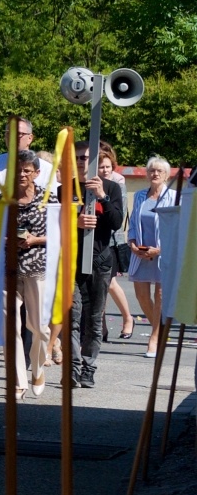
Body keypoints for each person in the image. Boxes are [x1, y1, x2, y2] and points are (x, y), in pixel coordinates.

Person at [70, 145, 124, 389]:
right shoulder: (65, 188)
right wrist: (75, 221)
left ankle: (88, 367)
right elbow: (53, 223)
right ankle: (73, 366)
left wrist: (102, 195)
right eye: (79, 158)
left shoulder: (111, 187)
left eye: (87, 158)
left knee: (93, 317)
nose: (83, 162)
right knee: (73, 316)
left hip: (100, 260)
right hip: (72, 261)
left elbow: (116, 222)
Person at [10, 151, 51, 398]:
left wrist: (36, 239)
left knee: (39, 328)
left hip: (38, 267)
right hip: (9, 269)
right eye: (18, 170)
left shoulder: (50, 198)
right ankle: (19, 379)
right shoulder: (3, 198)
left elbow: (62, 231)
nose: (22, 174)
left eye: (27, 170)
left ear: (36, 173)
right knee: (10, 326)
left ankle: (37, 369)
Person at [127, 156, 177, 358]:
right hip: (140, 253)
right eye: (151, 171)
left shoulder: (174, 197)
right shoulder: (139, 196)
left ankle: (154, 338)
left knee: (161, 297)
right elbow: (132, 223)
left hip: (163, 254)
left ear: (166, 175)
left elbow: (177, 229)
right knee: (141, 295)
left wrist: (161, 249)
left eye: (159, 171)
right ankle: (159, 327)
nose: (154, 174)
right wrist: (131, 243)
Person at [98, 142, 136, 341]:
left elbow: (117, 215)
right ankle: (101, 328)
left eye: (107, 167)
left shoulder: (117, 182)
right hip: (96, 239)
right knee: (100, 285)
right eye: (101, 167)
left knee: (110, 282)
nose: (104, 170)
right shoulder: (92, 182)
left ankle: (128, 318)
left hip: (112, 240)